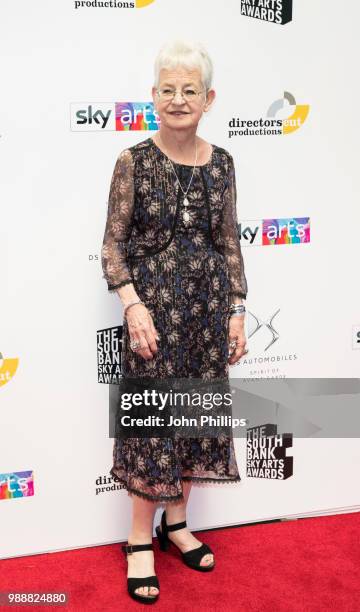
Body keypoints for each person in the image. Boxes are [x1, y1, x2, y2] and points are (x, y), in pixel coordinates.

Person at [101, 39, 248, 604]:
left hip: (207, 315)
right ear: (153, 97)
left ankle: (177, 524)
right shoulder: (132, 162)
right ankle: (140, 539)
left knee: (194, 417)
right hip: (152, 320)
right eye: (168, 89)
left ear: (209, 99)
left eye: (190, 90)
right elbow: (112, 247)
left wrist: (236, 309)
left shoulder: (224, 164)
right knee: (153, 422)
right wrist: (132, 305)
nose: (178, 99)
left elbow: (228, 243)